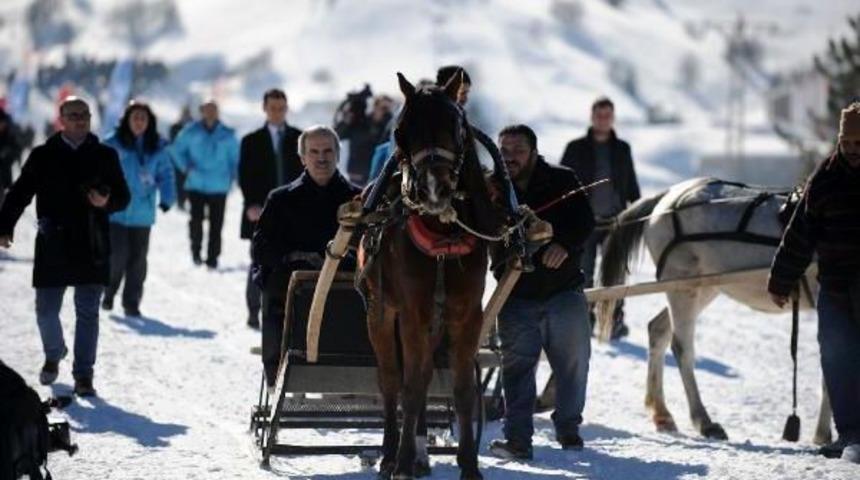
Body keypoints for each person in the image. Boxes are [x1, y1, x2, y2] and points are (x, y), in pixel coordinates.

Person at [0, 97, 130, 396]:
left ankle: (84, 375)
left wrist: (106, 202)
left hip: (92, 243)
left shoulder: (105, 155)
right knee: (46, 311)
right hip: (53, 242)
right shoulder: (43, 155)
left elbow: (124, 196)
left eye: (84, 114)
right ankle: (54, 352)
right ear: (61, 118)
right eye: (73, 115)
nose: (80, 120)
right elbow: (20, 193)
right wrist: (4, 226)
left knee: (87, 312)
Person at [487, 124, 594, 460]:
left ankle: (568, 426)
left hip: (563, 291)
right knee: (516, 369)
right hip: (514, 294)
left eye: (518, 150)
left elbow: (585, 221)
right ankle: (517, 440)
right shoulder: (492, 187)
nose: (510, 157)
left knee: (572, 364)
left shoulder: (562, 179)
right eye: (504, 151)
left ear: (534, 151)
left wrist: (563, 243)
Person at [365, 65, 539, 269]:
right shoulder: (423, 111)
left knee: (496, 188)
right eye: (460, 92)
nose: (463, 97)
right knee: (381, 190)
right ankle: (367, 227)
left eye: (466, 93)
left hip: (456, 173)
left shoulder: (456, 115)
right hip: (412, 171)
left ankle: (510, 238)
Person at [768, 102, 860, 465]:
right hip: (836, 289)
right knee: (837, 359)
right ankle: (850, 433)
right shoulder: (825, 179)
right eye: (847, 142)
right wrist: (781, 279)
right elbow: (800, 234)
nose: (852, 149)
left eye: (859, 142)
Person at [251, 125, 360, 391]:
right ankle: (277, 375)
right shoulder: (280, 199)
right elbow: (261, 248)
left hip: (343, 284)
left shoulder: (357, 200)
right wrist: (294, 258)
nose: (321, 158)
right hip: (293, 286)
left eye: (327, 151)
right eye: (314, 152)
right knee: (273, 286)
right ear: (303, 158)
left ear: (337, 154)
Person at [560, 96, 640, 340]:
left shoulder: (622, 149)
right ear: (592, 116)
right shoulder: (575, 148)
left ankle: (614, 321)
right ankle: (586, 320)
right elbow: (562, 183)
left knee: (615, 273)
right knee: (583, 273)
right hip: (585, 223)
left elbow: (631, 184)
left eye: (607, 115)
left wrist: (637, 212)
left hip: (615, 223)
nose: (603, 119)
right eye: (599, 115)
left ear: (612, 118)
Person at [102, 101, 175, 317]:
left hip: (143, 213)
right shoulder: (112, 144)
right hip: (115, 211)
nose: (139, 122)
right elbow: (99, 171)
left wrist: (168, 198)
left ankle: (131, 302)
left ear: (149, 122)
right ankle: (109, 291)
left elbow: (166, 174)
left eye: (143, 118)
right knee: (117, 256)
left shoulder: (157, 147)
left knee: (138, 261)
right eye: (135, 117)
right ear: (127, 119)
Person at [238, 88, 303, 329]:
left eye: (281, 108)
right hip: (260, 209)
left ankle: (285, 311)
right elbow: (245, 176)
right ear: (265, 108)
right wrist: (252, 204)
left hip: (291, 212)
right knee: (259, 260)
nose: (277, 112)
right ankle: (254, 311)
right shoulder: (251, 140)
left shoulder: (299, 138)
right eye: (273, 108)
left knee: (290, 261)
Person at [170, 99, 239, 269]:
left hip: (219, 185)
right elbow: (176, 149)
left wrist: (233, 178)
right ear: (202, 112)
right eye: (207, 110)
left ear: (218, 112)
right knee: (196, 221)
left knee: (217, 223)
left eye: (214, 109)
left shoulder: (228, 134)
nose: (210, 113)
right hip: (196, 184)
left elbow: (236, 159)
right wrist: (185, 167)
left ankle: (213, 257)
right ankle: (196, 252)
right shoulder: (190, 131)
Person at [334, 84, 376, 185]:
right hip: (357, 171)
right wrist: (346, 119)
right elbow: (336, 135)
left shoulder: (373, 121)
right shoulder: (351, 124)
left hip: (374, 169)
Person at [169, 104, 193, 210]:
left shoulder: (194, 127)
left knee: (190, 181)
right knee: (179, 181)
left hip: (191, 160)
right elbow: (172, 144)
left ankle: (189, 200)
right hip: (177, 160)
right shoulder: (175, 127)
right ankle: (180, 201)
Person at [0, 108, 24, 206]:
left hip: (3, 173)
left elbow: (17, 150)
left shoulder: (9, 136)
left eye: (2, 123)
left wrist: (7, 153)